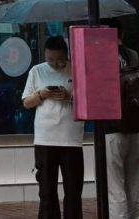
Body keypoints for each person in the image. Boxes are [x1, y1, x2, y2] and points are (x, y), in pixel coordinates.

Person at [22, 35, 83, 219]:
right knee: (47, 191)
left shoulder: (77, 69)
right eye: (50, 59)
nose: (55, 64)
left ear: (66, 55)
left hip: (71, 138)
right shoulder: (37, 71)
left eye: (59, 60)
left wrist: (69, 96)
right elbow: (27, 103)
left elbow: (89, 101)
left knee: (73, 190)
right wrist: (42, 94)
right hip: (45, 138)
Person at [103, 19, 139, 219]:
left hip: (112, 129)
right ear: (123, 33)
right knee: (134, 189)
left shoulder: (102, 57)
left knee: (115, 189)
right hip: (135, 128)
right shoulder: (135, 57)